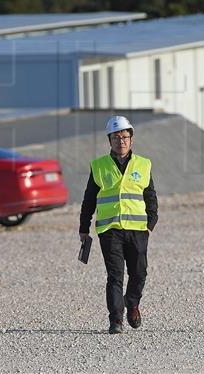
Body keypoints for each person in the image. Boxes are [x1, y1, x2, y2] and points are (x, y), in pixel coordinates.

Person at [79, 115, 158, 334]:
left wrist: (150, 225)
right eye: (116, 137)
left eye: (124, 137)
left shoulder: (143, 165)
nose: (120, 141)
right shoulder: (99, 166)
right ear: (109, 140)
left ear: (131, 139)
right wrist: (83, 228)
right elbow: (89, 199)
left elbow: (151, 198)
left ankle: (132, 303)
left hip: (138, 230)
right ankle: (116, 320)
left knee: (139, 273)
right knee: (115, 276)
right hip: (109, 229)